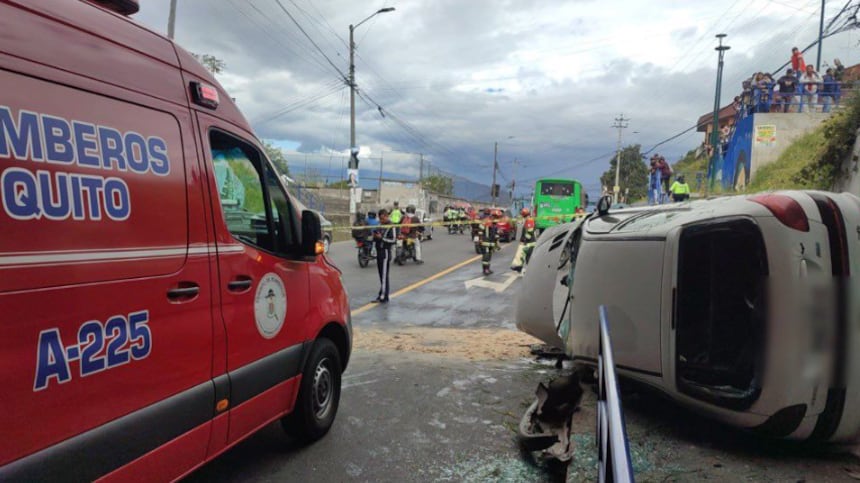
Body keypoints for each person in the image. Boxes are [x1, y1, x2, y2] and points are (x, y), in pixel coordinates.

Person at [373, 209, 396, 303]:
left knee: (384, 275)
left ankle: (384, 296)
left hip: (385, 252)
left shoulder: (391, 226)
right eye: (380, 219)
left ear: (386, 216)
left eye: (382, 218)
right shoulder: (379, 225)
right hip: (379, 251)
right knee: (381, 275)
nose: (381, 221)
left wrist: (381, 238)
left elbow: (393, 240)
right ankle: (382, 293)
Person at [510, 208, 536, 273]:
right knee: (522, 254)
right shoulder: (528, 220)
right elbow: (525, 232)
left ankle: (530, 271)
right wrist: (522, 240)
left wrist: (525, 240)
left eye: (522, 214)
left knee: (528, 257)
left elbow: (529, 232)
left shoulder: (529, 220)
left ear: (524, 214)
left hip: (530, 242)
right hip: (528, 242)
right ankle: (519, 268)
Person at [479, 211, 500, 275]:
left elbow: (495, 234)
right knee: (486, 256)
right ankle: (485, 270)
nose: (497, 219)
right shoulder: (485, 221)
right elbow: (480, 231)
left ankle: (488, 268)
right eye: (496, 217)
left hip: (491, 243)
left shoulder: (495, 224)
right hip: (485, 242)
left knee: (489, 256)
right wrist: (480, 239)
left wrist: (497, 242)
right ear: (492, 216)